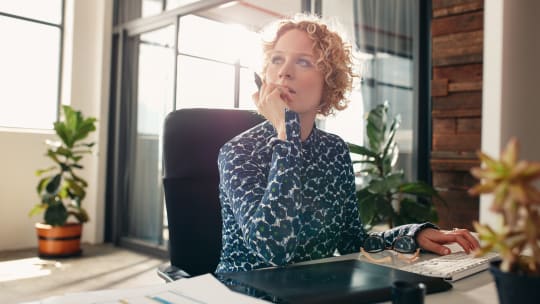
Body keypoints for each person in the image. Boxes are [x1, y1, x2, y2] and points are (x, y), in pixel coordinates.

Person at [215, 14, 479, 273]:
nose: (284, 72)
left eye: (304, 62)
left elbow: (351, 241)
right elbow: (274, 249)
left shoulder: (334, 150)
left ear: (328, 83)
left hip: (316, 291)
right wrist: (286, 136)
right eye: (277, 59)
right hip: (243, 294)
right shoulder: (239, 151)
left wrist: (414, 234)